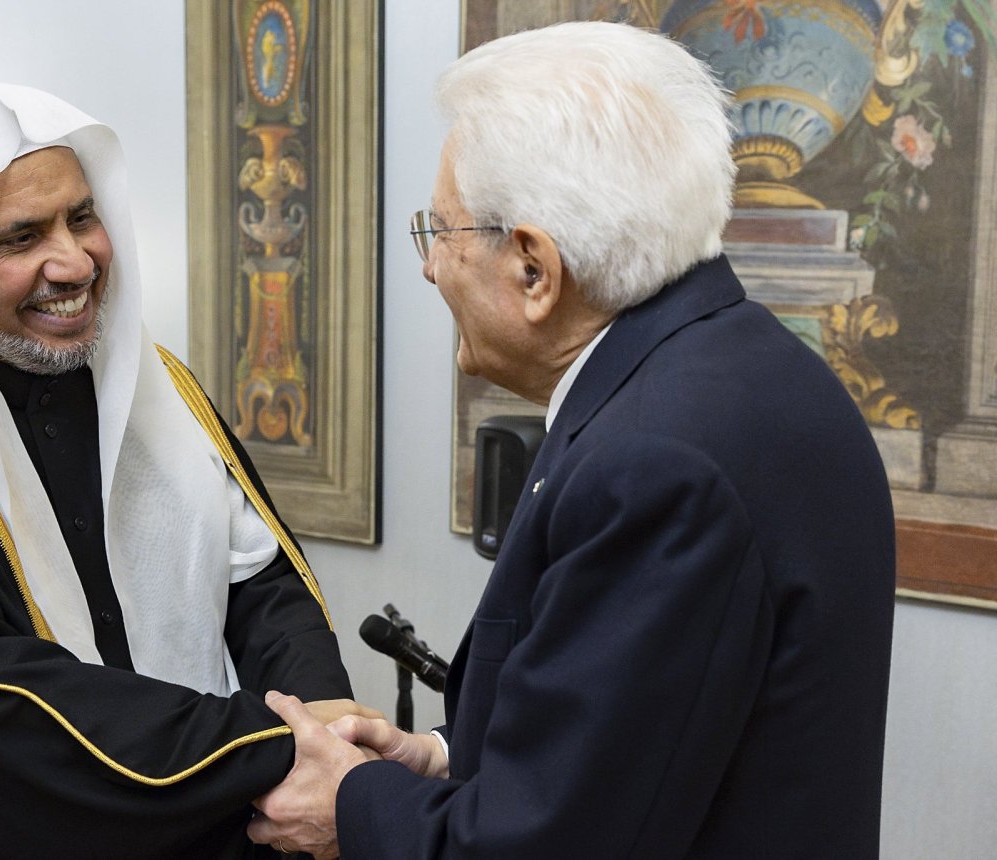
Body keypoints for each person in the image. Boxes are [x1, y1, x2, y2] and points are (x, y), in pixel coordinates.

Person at [247, 21, 896, 859]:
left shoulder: (654, 468)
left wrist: (352, 803)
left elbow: (549, 846)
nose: (429, 267)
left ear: (533, 270)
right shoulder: (748, 370)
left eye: (437, 232)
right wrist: (436, 760)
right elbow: (630, 753)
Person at [0, 83, 370, 858]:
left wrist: (325, 720)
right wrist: (270, 746)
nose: (75, 260)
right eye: (21, 238)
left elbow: (259, 581)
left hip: (196, 808)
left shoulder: (153, 381)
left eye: (81, 217)